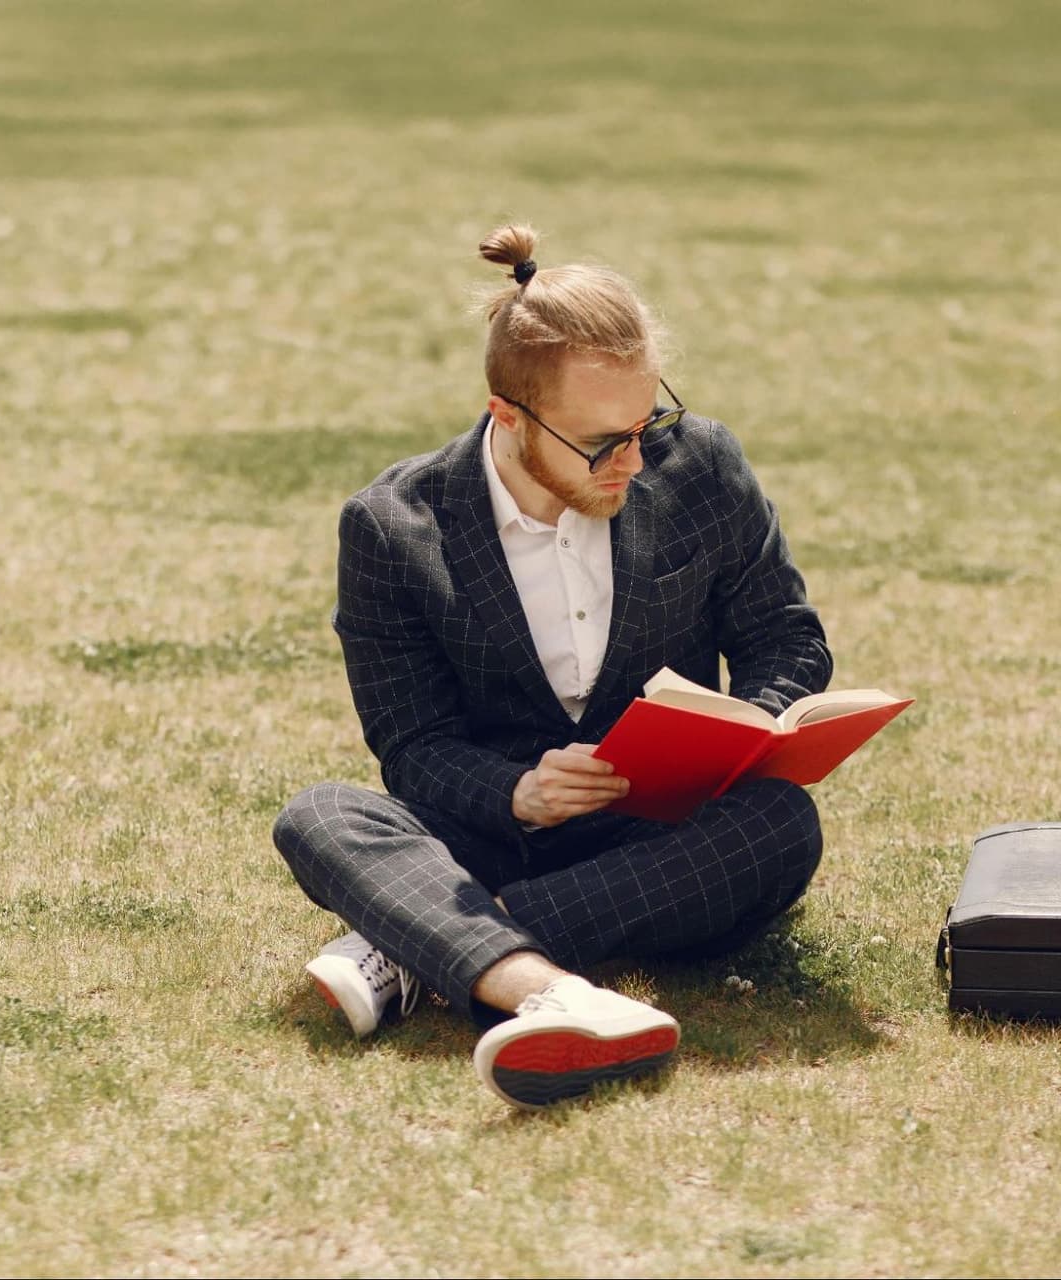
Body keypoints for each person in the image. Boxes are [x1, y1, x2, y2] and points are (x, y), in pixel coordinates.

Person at [273, 224, 832, 1110]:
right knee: (320, 817)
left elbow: (787, 640)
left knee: (782, 824)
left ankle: (422, 944)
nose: (636, 459)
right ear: (508, 415)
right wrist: (516, 793)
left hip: (660, 827)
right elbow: (412, 742)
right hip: (492, 824)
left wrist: (753, 723)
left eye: (649, 422)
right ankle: (556, 994)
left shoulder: (703, 467)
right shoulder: (391, 526)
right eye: (604, 442)